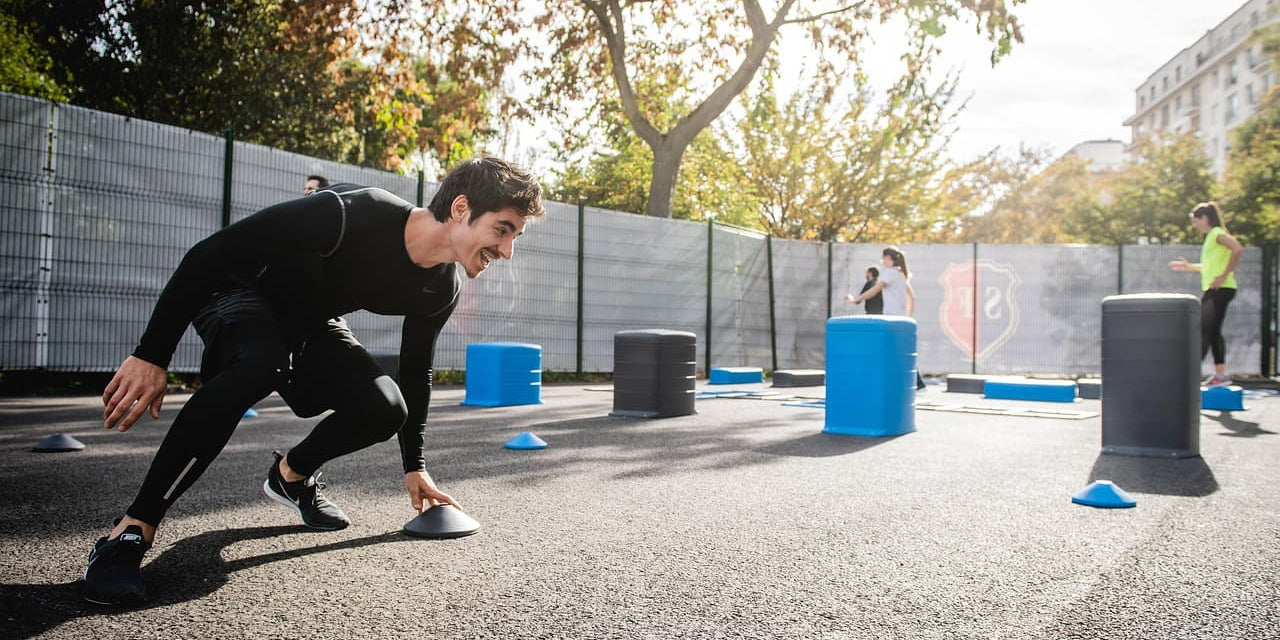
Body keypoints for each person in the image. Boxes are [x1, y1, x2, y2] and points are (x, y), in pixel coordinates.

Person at [83, 157, 544, 606]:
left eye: (514, 237)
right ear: (461, 209)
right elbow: (210, 253)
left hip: (307, 320)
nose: (506, 251)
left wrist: (415, 465)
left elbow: (415, 371)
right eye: (502, 231)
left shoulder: (441, 288)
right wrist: (151, 355)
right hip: (237, 292)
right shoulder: (350, 212)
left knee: (386, 406)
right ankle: (130, 530)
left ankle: (290, 477)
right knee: (257, 364)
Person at [1169, 201, 1243, 388]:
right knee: (1209, 330)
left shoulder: (1217, 233)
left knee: (1206, 329)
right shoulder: (1211, 236)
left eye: (1196, 221)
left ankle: (1202, 373)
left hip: (1221, 289)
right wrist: (1190, 267)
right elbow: (1210, 267)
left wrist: (1223, 276)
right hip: (1217, 289)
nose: (1195, 225)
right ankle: (1215, 374)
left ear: (1205, 218)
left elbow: (1237, 249)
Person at [847, 246, 925, 390]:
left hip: (891, 319)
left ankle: (917, 382)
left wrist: (855, 300)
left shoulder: (889, 273)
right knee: (900, 351)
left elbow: (874, 291)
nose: (882, 261)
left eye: (883, 258)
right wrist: (908, 317)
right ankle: (916, 382)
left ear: (888, 258)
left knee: (886, 349)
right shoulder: (901, 274)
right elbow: (911, 297)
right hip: (900, 318)